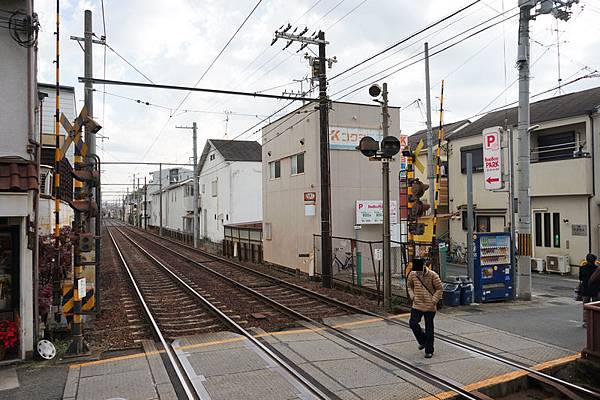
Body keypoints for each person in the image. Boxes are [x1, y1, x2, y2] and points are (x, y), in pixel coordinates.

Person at [407, 258, 443, 358]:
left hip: (429, 305)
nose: (417, 271)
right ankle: (422, 340)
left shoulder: (432, 275)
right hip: (417, 304)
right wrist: (412, 296)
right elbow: (409, 285)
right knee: (413, 323)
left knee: (429, 328)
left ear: (424, 265)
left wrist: (434, 300)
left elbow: (439, 289)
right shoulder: (413, 274)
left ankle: (429, 350)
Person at [580, 253, 600, 327]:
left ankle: (586, 322)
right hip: (595, 289)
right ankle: (595, 321)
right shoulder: (597, 269)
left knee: (585, 306)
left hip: (585, 289)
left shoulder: (582, 268)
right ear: (594, 260)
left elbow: (580, 278)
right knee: (595, 306)